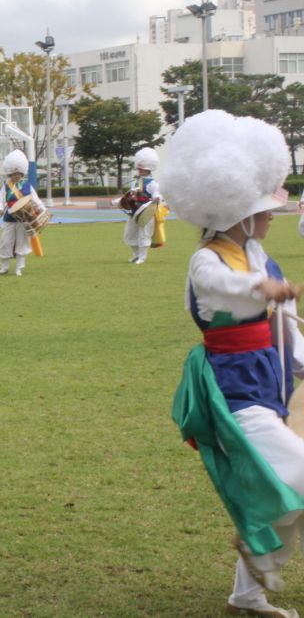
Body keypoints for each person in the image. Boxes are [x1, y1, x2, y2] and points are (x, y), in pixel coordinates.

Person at [165, 110, 304, 618]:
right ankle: (254, 561)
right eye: (263, 210)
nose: (271, 216)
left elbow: (283, 321)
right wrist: (259, 287)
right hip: (232, 387)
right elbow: (216, 286)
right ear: (239, 215)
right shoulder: (209, 258)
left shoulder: (257, 252)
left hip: (268, 377)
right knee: (291, 475)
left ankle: (247, 591)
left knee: (281, 482)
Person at [0, 150, 41, 277]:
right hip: (8, 219)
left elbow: (36, 200)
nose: (16, 176)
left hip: (23, 220)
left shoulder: (27, 186)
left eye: (18, 174)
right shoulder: (6, 186)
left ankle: (19, 268)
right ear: (10, 174)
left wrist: (42, 210)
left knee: (22, 244)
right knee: (5, 243)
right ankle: (4, 268)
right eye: (14, 174)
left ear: (22, 173)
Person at [119, 148, 162, 264]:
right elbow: (130, 195)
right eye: (138, 168)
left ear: (146, 169)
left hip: (147, 213)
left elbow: (157, 194)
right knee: (128, 235)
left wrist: (157, 198)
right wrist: (118, 202)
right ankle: (136, 254)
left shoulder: (153, 183)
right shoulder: (137, 182)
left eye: (140, 169)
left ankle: (142, 257)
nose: (138, 170)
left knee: (144, 234)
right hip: (134, 213)